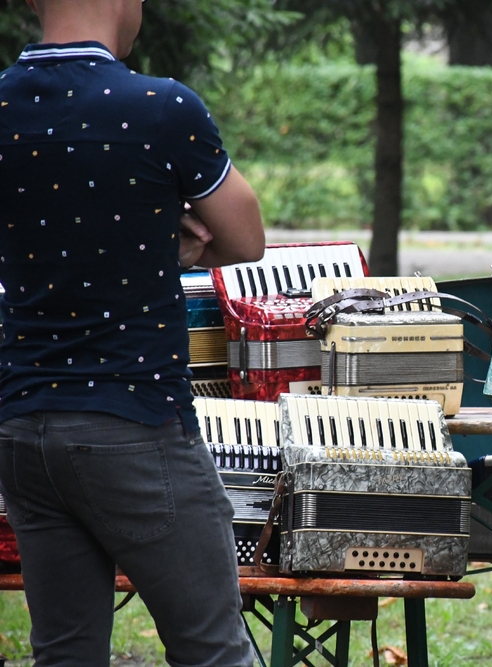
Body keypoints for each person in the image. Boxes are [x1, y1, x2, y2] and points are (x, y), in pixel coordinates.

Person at [0, 0, 265, 665]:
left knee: (64, 653)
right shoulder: (160, 108)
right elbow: (245, 237)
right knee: (213, 650)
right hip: (136, 422)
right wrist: (164, 236)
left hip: (23, 428)